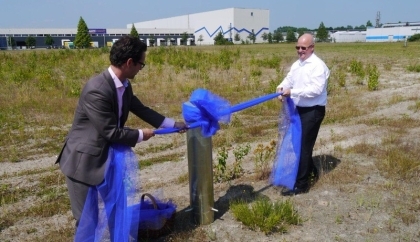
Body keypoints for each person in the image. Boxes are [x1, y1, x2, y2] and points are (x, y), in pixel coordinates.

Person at [55, 35, 187, 230]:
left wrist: (173, 124)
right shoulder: (97, 89)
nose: (141, 69)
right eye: (141, 65)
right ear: (129, 62)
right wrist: (142, 134)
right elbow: (110, 132)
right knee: (86, 220)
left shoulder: (124, 84)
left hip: (106, 157)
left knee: (115, 211)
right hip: (82, 161)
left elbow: (141, 109)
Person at [276, 33, 330, 196]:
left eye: (303, 48)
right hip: (298, 110)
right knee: (296, 143)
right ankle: (311, 171)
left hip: (313, 111)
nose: (300, 51)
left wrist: (292, 92)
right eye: (297, 47)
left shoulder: (318, 66)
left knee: (303, 146)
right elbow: (288, 80)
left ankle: (301, 185)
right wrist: (280, 89)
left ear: (312, 48)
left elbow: (316, 90)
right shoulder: (297, 65)